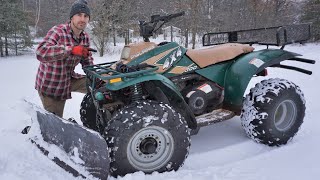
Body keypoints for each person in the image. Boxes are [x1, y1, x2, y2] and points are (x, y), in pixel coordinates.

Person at [35, 0, 93, 118]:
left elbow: (87, 61)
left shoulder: (85, 38)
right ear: (72, 17)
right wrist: (70, 50)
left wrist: (94, 75)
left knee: (97, 85)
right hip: (52, 85)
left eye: (85, 16)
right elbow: (40, 52)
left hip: (69, 78)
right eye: (79, 15)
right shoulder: (58, 31)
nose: (82, 19)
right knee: (55, 123)